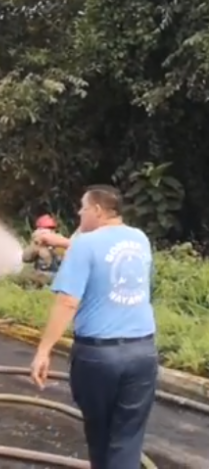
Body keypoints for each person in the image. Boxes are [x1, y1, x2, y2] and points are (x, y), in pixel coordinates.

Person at [30, 185, 157, 469]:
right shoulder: (140, 239)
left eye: (83, 207)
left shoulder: (86, 244)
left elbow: (67, 303)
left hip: (99, 357)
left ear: (98, 210)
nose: (79, 212)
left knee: (100, 438)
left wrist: (43, 351)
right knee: (127, 439)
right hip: (143, 353)